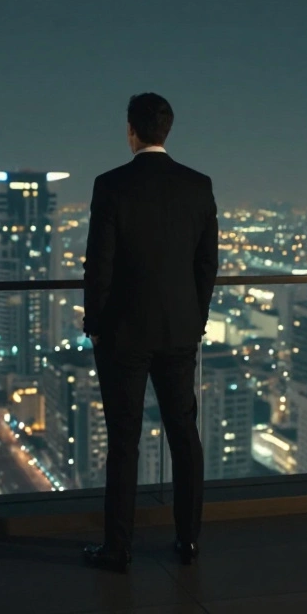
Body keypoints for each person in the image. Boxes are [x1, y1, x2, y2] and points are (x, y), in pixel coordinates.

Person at [81, 92, 219, 572]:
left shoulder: (112, 186)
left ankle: (118, 548)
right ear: (168, 130)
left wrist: (94, 325)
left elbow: (99, 262)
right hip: (180, 331)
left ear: (130, 130)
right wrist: (196, 319)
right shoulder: (198, 185)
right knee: (184, 434)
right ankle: (189, 541)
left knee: (124, 440)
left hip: (123, 334)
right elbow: (207, 264)